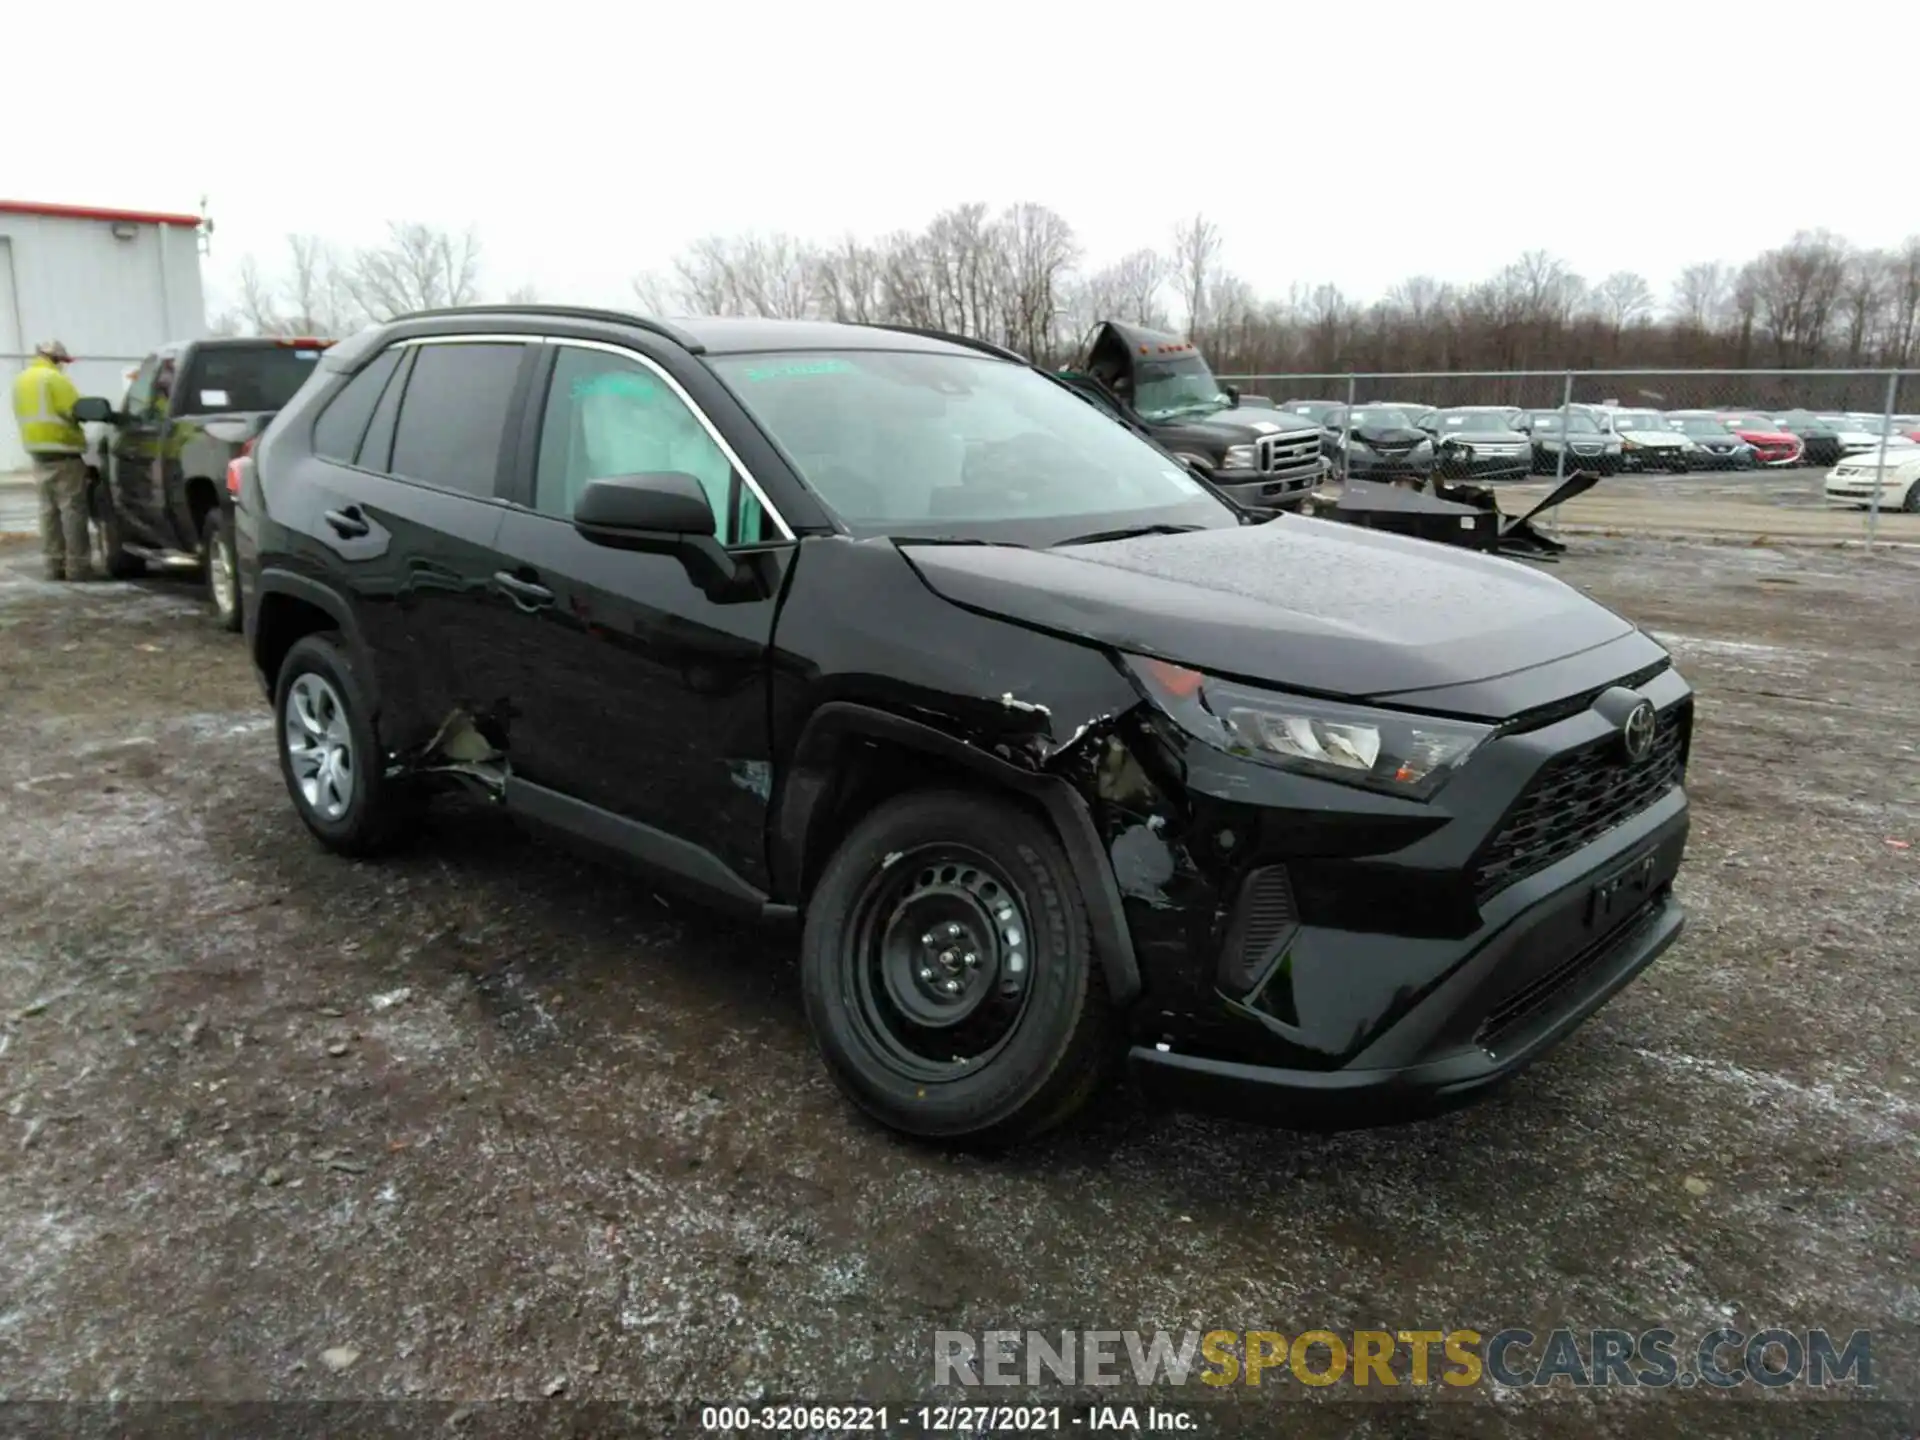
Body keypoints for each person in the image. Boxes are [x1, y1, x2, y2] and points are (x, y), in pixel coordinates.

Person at [11, 340, 92, 582]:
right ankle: (78, 567)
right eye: (63, 362)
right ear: (56, 358)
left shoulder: (21, 381)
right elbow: (76, 410)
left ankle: (53, 566)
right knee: (72, 510)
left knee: (48, 511)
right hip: (64, 451)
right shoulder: (54, 379)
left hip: (37, 453)